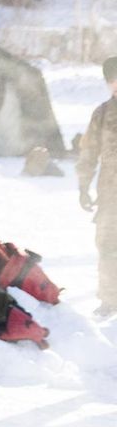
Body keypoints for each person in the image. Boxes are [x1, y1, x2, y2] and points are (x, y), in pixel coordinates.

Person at [77, 57, 117, 318]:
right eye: (111, 81)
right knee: (107, 245)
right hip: (110, 195)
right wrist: (83, 186)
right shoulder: (103, 113)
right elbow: (88, 152)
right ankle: (109, 299)